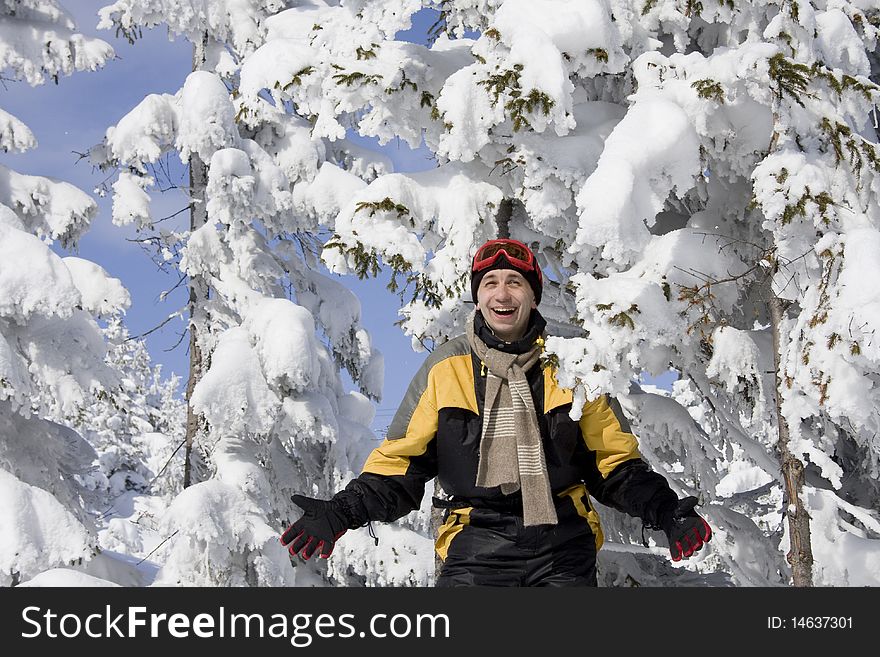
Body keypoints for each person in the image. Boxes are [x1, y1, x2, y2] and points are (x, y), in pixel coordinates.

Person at [281, 238, 712, 586]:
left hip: (563, 543)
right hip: (475, 545)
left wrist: (665, 510)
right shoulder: (447, 367)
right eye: (490, 283)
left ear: (533, 296)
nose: (502, 294)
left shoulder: (570, 364)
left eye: (514, 282)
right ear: (478, 296)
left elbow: (614, 464)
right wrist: (341, 512)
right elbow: (401, 464)